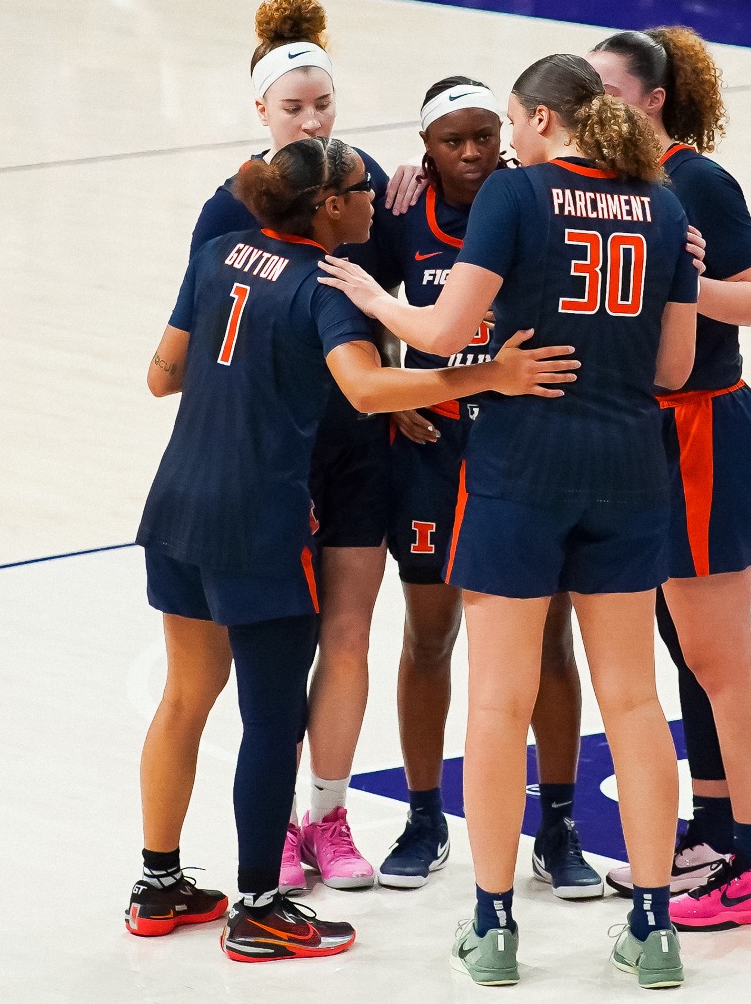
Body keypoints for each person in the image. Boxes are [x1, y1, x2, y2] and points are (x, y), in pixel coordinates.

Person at [134, 135, 577, 962]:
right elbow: (369, 389)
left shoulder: (223, 251)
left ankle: (157, 884)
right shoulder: (326, 286)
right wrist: (488, 376)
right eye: (364, 189)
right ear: (328, 205)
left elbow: (162, 375)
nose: (378, 198)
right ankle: (261, 906)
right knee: (271, 720)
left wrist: (248, 373)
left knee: (184, 696)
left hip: (177, 503)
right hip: (260, 519)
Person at [317, 54, 697, 989]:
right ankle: (653, 926)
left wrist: (371, 298)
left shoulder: (518, 199)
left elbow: (444, 335)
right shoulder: (665, 206)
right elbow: (676, 371)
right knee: (637, 701)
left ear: (534, 121)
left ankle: (493, 925)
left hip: (522, 468)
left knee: (496, 699)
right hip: (627, 469)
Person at [367, 76, 600, 898]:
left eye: (481, 136)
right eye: (449, 140)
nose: (469, 152)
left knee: (547, 643)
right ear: (424, 149)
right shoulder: (400, 212)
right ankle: (425, 813)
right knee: (428, 636)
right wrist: (397, 388)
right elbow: (364, 310)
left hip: (523, 451)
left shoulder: (536, 198)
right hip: (434, 451)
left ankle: (562, 820)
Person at [188, 0, 396, 897]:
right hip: (271, 459)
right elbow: (190, 350)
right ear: (261, 112)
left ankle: (330, 811)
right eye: (293, 107)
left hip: (355, 440)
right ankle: (266, 826)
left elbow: (390, 307)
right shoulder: (226, 208)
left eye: (322, 104)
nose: (311, 119)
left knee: (347, 631)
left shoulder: (367, 184)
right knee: (269, 660)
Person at [585, 28, 751, 929]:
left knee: (720, 655)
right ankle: (711, 829)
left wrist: (676, 286)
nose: (594, 110)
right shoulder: (604, 187)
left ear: (654, 98)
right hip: (647, 429)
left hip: (705, 424)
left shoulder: (695, 179)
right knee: (679, 646)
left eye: (609, 92)